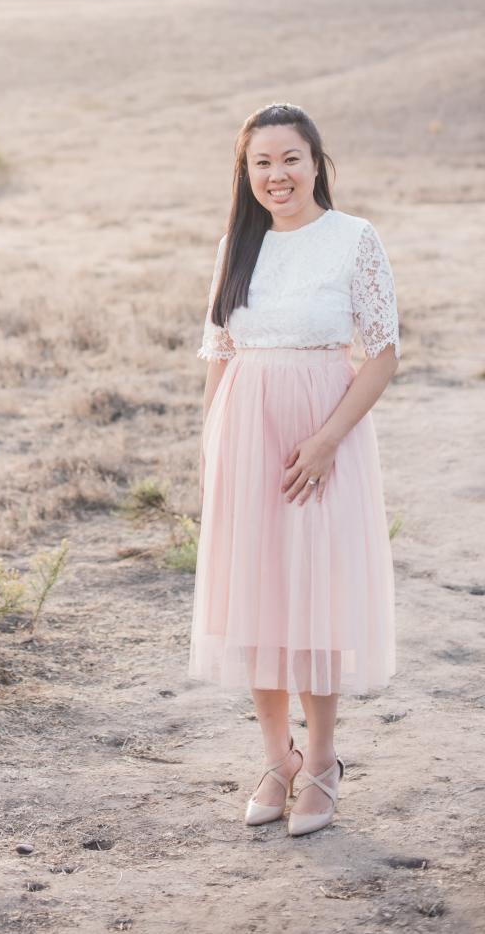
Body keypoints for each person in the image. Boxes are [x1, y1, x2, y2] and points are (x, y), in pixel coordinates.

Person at [188, 102, 400, 836]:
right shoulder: (234, 249)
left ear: (317, 163)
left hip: (320, 442)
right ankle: (277, 759)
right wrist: (215, 451)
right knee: (258, 602)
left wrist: (327, 440)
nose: (277, 175)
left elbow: (382, 356)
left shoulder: (353, 241)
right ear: (246, 175)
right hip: (247, 442)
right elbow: (220, 359)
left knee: (313, 603)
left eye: (290, 159)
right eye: (261, 163)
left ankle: (323, 763)